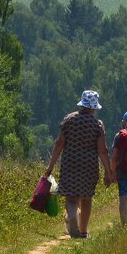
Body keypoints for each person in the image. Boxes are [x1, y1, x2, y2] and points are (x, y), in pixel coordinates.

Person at [45, 90, 114, 238]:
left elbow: (59, 144)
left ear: (82, 104)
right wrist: (109, 173)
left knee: (71, 197)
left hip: (70, 163)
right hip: (89, 165)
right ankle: (83, 231)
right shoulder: (97, 125)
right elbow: (103, 150)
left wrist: (50, 167)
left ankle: (72, 216)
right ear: (94, 107)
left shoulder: (69, 119)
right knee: (86, 197)